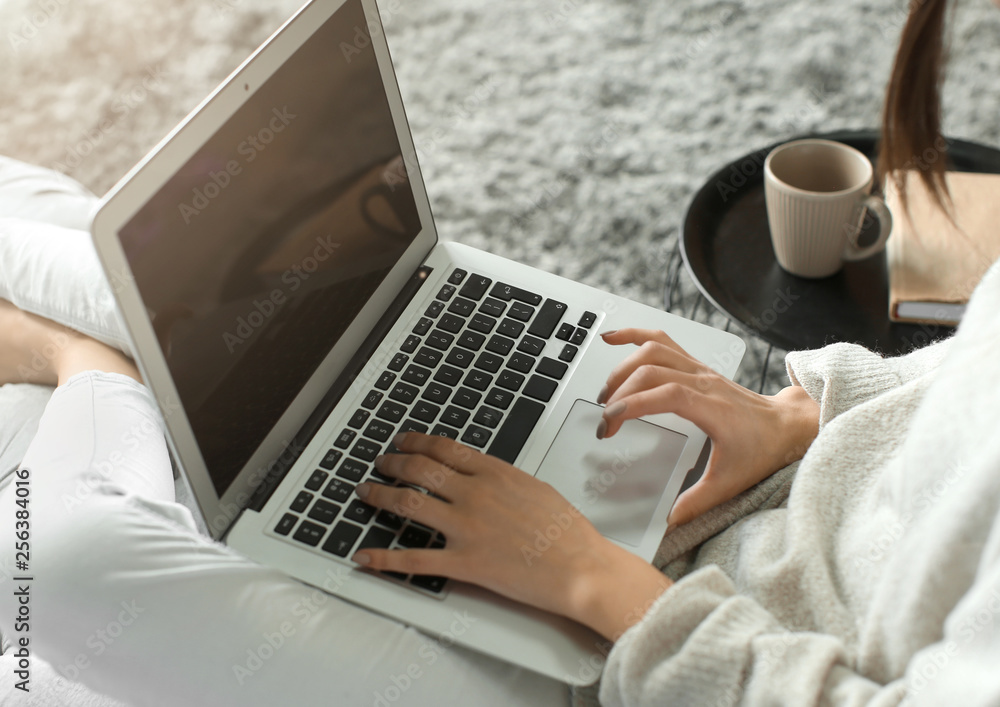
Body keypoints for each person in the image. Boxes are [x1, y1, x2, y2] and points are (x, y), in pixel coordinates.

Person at [2, 0, 999, 704]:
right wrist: (801, 418)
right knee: (210, 291)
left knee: (54, 563)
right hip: (729, 515)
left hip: (632, 657)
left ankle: (86, 361)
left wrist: (581, 574)